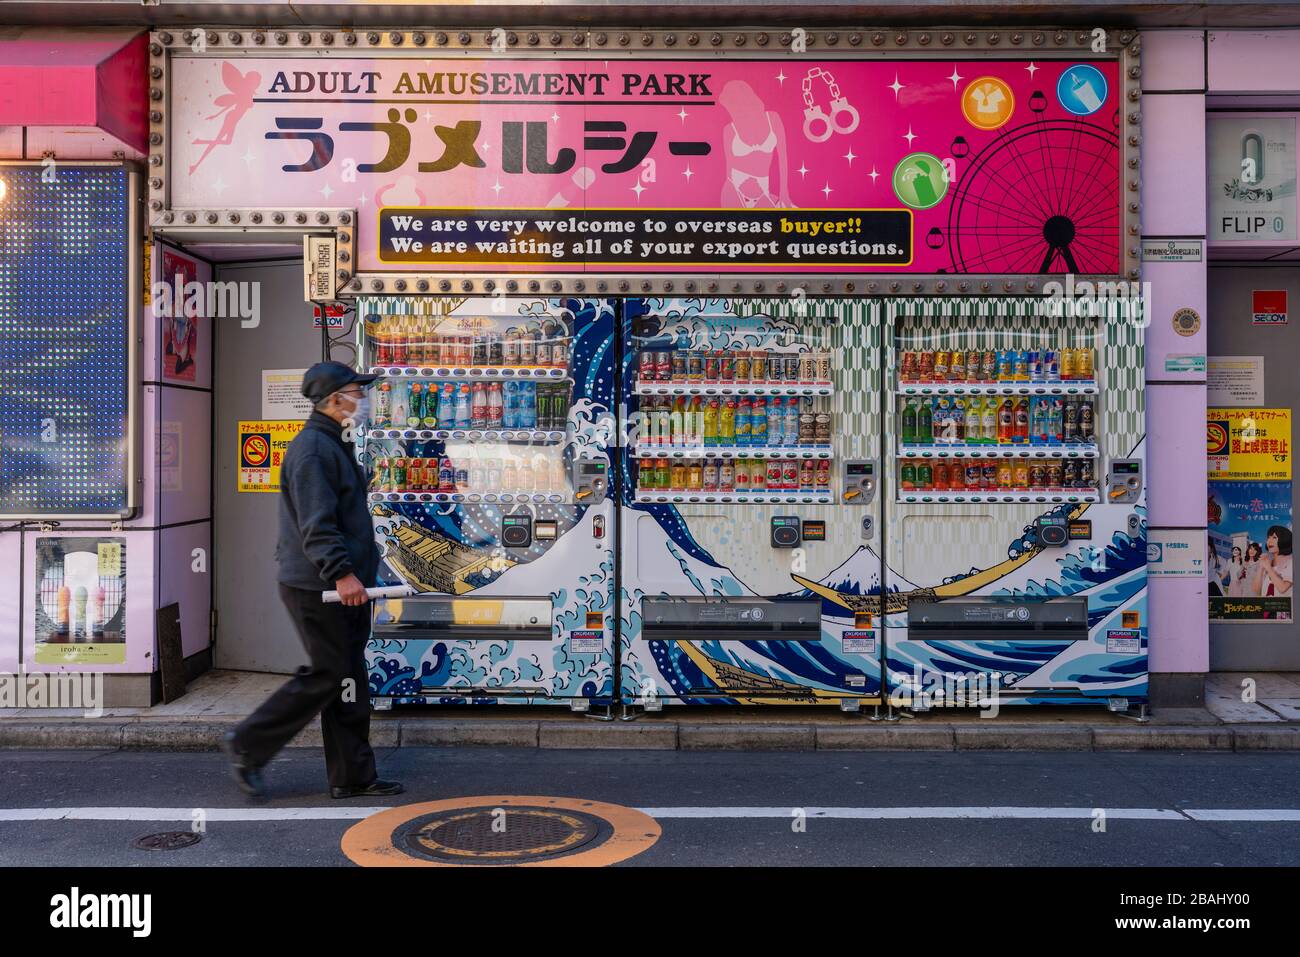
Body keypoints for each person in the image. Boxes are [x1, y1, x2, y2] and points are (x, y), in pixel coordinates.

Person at [222, 361, 403, 801]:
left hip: (342, 584)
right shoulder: (313, 450)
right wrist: (342, 574)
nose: (363, 400)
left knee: (348, 678)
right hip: (318, 585)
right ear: (334, 399)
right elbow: (317, 525)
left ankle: (353, 776)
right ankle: (249, 742)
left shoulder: (333, 443)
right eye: (356, 393)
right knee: (327, 673)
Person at [1258, 525, 1293, 620]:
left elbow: (1282, 588)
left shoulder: (1291, 562)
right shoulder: (1268, 562)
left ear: (1284, 540)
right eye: (1268, 537)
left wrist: (1268, 568)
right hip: (1265, 611)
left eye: (1274, 537)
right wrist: (1261, 567)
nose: (1269, 541)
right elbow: (1257, 590)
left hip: (1283, 613)